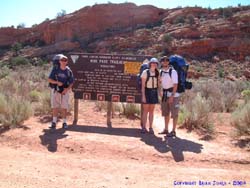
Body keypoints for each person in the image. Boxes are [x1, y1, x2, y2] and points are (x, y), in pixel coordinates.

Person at [48, 54, 74, 129]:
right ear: (59, 61)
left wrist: (66, 89)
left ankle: (64, 122)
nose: (63, 62)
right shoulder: (55, 69)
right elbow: (49, 79)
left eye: (65, 60)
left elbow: (71, 82)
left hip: (65, 91)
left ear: (67, 62)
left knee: (64, 107)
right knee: (55, 106)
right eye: (62, 60)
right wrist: (57, 83)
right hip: (56, 90)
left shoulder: (68, 71)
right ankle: (54, 122)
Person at [159, 56, 179, 137]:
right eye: (163, 60)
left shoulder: (173, 72)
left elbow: (175, 84)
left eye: (166, 60)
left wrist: (172, 96)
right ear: (161, 62)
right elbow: (160, 83)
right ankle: (166, 129)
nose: (165, 62)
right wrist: (160, 91)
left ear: (168, 62)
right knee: (166, 113)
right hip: (165, 95)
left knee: (174, 114)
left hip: (173, 95)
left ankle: (173, 131)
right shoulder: (161, 72)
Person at [141, 57, 160, 134]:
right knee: (145, 111)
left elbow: (158, 84)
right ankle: (144, 127)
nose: (154, 64)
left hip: (154, 92)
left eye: (155, 63)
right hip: (147, 91)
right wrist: (143, 96)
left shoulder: (157, 73)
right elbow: (142, 85)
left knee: (151, 111)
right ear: (150, 64)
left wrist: (158, 93)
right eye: (152, 63)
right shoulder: (145, 72)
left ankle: (151, 127)